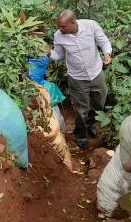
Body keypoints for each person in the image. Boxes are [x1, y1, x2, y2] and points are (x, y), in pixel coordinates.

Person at [46, 9, 112, 149]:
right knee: (81, 110)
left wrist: (107, 54)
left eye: (63, 26)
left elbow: (103, 42)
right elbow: (58, 55)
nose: (60, 29)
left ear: (73, 22)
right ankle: (79, 135)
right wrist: (49, 53)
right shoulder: (59, 36)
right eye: (59, 26)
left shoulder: (90, 26)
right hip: (77, 78)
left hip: (96, 73)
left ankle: (90, 125)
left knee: (99, 103)